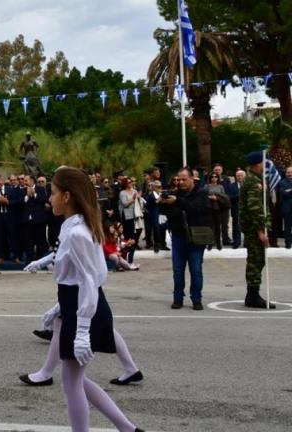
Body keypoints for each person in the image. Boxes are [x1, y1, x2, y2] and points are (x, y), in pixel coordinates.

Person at [31, 166, 143, 432]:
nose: (50, 199)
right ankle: (127, 429)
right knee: (74, 381)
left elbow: (91, 282)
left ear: (67, 196)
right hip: (78, 305)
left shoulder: (78, 232)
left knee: (71, 383)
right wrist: (59, 307)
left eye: (54, 193)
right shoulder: (72, 226)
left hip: (86, 310)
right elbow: (74, 279)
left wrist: (81, 332)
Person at [159, 168, 211, 310]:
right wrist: (161, 203)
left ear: (192, 179)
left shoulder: (201, 193)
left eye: (183, 179)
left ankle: (196, 299)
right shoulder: (174, 194)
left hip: (195, 238)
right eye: (178, 179)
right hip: (178, 237)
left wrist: (177, 201)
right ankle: (177, 298)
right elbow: (166, 213)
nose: (180, 182)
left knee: (195, 270)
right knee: (177, 270)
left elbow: (194, 209)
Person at [240, 152, 276, 309]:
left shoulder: (255, 179)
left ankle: (252, 294)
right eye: (263, 163)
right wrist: (261, 232)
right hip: (254, 229)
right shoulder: (253, 181)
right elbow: (254, 208)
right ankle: (253, 296)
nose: (265, 165)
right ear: (256, 164)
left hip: (254, 228)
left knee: (257, 260)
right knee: (255, 261)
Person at [204, 172, 230, 250]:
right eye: (212, 177)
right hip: (209, 208)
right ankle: (210, 243)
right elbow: (204, 196)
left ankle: (218, 244)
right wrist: (210, 197)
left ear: (218, 178)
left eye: (215, 177)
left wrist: (217, 198)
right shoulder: (207, 186)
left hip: (219, 208)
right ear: (210, 178)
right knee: (211, 226)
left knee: (218, 226)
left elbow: (224, 197)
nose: (214, 178)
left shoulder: (221, 186)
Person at [280, 166, 292, 249]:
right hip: (287, 208)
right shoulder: (282, 182)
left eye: (291, 172)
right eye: (288, 172)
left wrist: (289, 190)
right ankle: (288, 244)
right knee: (287, 227)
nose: (290, 174)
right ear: (285, 173)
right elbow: (284, 194)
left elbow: (288, 193)